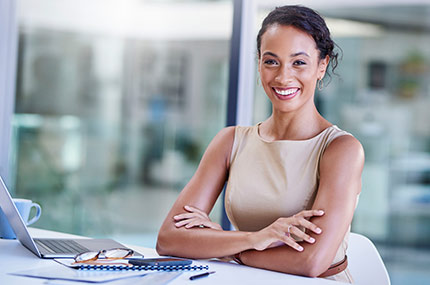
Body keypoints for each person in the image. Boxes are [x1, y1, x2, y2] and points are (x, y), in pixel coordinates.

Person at [156, 5, 364, 283]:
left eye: (298, 62)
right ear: (258, 63)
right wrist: (257, 238)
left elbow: (311, 261)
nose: (282, 77)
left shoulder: (340, 149)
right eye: (271, 61)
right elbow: (170, 238)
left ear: (322, 66)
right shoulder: (230, 141)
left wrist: (226, 248)